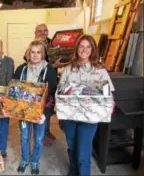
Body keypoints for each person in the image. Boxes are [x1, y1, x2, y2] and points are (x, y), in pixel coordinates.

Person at [58, 35, 115, 176]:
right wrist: (60, 115)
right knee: (71, 147)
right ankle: (73, 171)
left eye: (88, 47)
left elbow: (108, 95)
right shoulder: (68, 70)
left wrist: (106, 104)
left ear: (93, 50)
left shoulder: (100, 71)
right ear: (77, 48)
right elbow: (60, 94)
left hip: (89, 119)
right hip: (69, 118)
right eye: (81, 46)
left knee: (83, 154)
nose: (84, 50)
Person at [14, 40, 57, 175]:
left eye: (38, 52)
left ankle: (34, 162)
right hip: (24, 112)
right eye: (33, 52)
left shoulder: (49, 70)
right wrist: (13, 108)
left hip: (40, 113)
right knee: (25, 137)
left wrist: (46, 113)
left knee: (38, 139)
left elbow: (51, 94)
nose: (35, 55)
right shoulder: (21, 69)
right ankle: (25, 160)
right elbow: (14, 90)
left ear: (43, 54)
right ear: (28, 53)